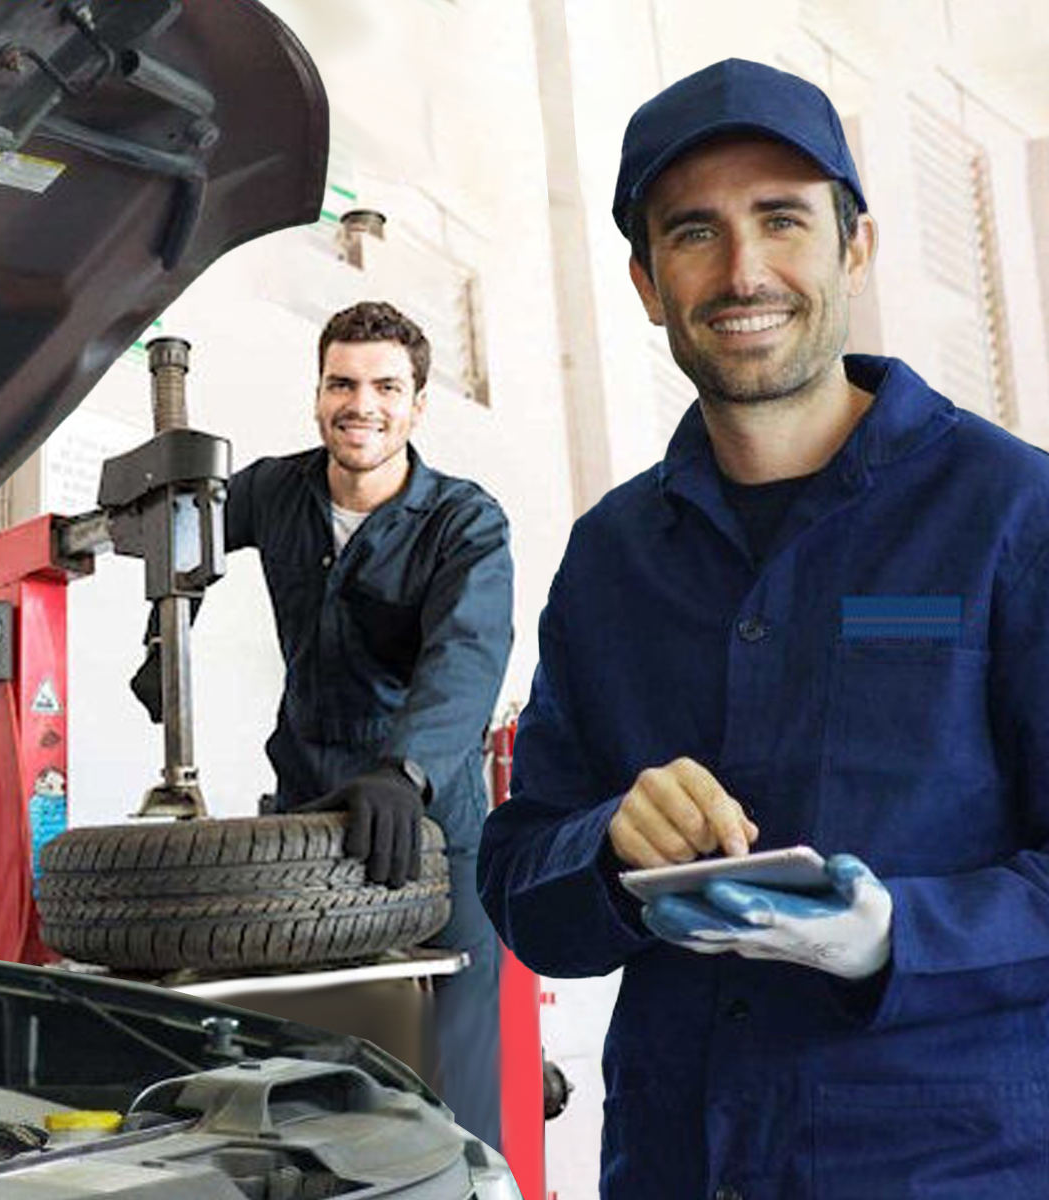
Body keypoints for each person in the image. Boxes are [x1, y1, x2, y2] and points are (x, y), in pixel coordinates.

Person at [478, 57, 1049, 1198]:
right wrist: (604, 849)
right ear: (645, 282)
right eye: (693, 233)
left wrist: (900, 934)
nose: (743, 271)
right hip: (677, 1162)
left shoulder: (1011, 516)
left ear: (854, 247)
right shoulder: (611, 561)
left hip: (942, 1166)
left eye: (781, 219)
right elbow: (520, 879)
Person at [134, 300, 513, 1146]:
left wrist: (404, 771)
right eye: (342, 382)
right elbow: (180, 542)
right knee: (312, 1051)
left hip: (427, 823)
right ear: (317, 395)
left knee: (462, 1057)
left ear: (417, 405)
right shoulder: (277, 489)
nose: (362, 403)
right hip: (306, 811)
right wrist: (166, 639)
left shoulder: (463, 520)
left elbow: (468, 656)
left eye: (386, 385)